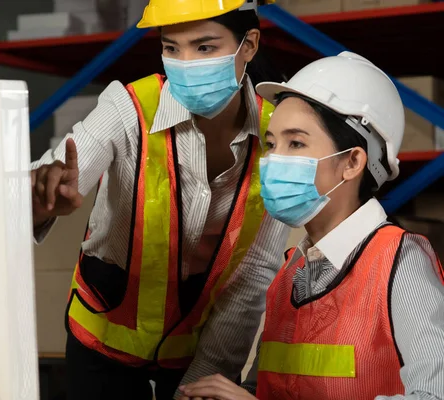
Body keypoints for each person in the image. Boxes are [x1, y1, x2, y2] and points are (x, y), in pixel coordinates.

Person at [30, 0, 290, 399]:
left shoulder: (280, 134)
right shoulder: (128, 107)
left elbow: (252, 275)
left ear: (249, 45)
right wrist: (39, 196)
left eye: (204, 48)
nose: (185, 63)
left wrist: (203, 379)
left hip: (197, 350)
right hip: (101, 344)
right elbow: (58, 170)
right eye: (172, 48)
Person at [179, 51, 444, 400]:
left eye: (296, 143)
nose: (273, 161)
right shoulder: (292, 272)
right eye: (271, 144)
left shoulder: (400, 262)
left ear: (351, 162)